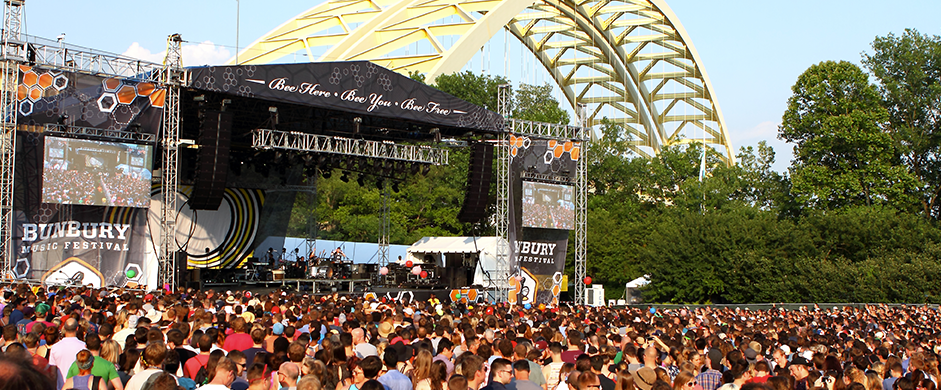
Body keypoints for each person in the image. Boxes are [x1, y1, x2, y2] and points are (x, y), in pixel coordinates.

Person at [49, 318, 86, 389]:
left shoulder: (55, 347)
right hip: (79, 386)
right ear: (77, 328)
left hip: (61, 386)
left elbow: (52, 371)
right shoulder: (83, 346)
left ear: (64, 328)